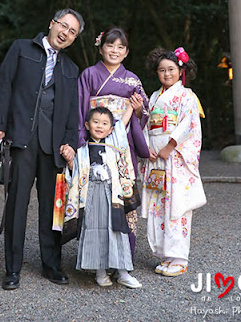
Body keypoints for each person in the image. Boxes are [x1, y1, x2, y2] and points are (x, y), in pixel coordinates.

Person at [0, 8, 84, 290]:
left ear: (74, 39)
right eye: (63, 26)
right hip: (21, 139)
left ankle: (52, 264)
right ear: (51, 23)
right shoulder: (21, 49)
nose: (65, 33)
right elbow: (4, 85)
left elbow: (71, 112)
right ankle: (12, 269)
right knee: (17, 204)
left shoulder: (70, 69)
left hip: (53, 147)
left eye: (72, 32)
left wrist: (70, 143)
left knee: (53, 209)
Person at [77, 27, 150, 260]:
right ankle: (97, 259)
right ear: (101, 48)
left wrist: (138, 110)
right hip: (94, 142)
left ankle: (125, 258)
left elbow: (144, 112)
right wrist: (80, 141)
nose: (115, 51)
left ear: (127, 52)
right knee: (96, 200)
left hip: (122, 145)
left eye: (120, 47)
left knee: (124, 199)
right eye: (110, 45)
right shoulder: (89, 74)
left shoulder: (132, 79)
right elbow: (80, 110)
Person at [140, 46, 206, 277]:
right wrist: (147, 147)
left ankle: (179, 257)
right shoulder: (154, 96)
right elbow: (148, 125)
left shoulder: (186, 96)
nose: (166, 74)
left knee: (175, 206)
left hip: (175, 158)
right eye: (161, 70)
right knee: (159, 206)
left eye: (171, 69)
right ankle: (165, 255)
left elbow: (189, 124)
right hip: (156, 160)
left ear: (181, 70)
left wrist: (169, 147)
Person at [63, 105, 141, 288]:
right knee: (94, 230)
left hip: (112, 194)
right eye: (96, 122)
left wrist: (130, 107)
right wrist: (69, 160)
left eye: (105, 123)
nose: (100, 126)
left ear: (111, 129)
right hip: (91, 195)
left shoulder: (114, 145)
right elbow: (75, 172)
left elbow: (122, 125)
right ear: (87, 125)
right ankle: (100, 271)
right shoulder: (82, 149)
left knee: (118, 231)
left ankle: (123, 272)